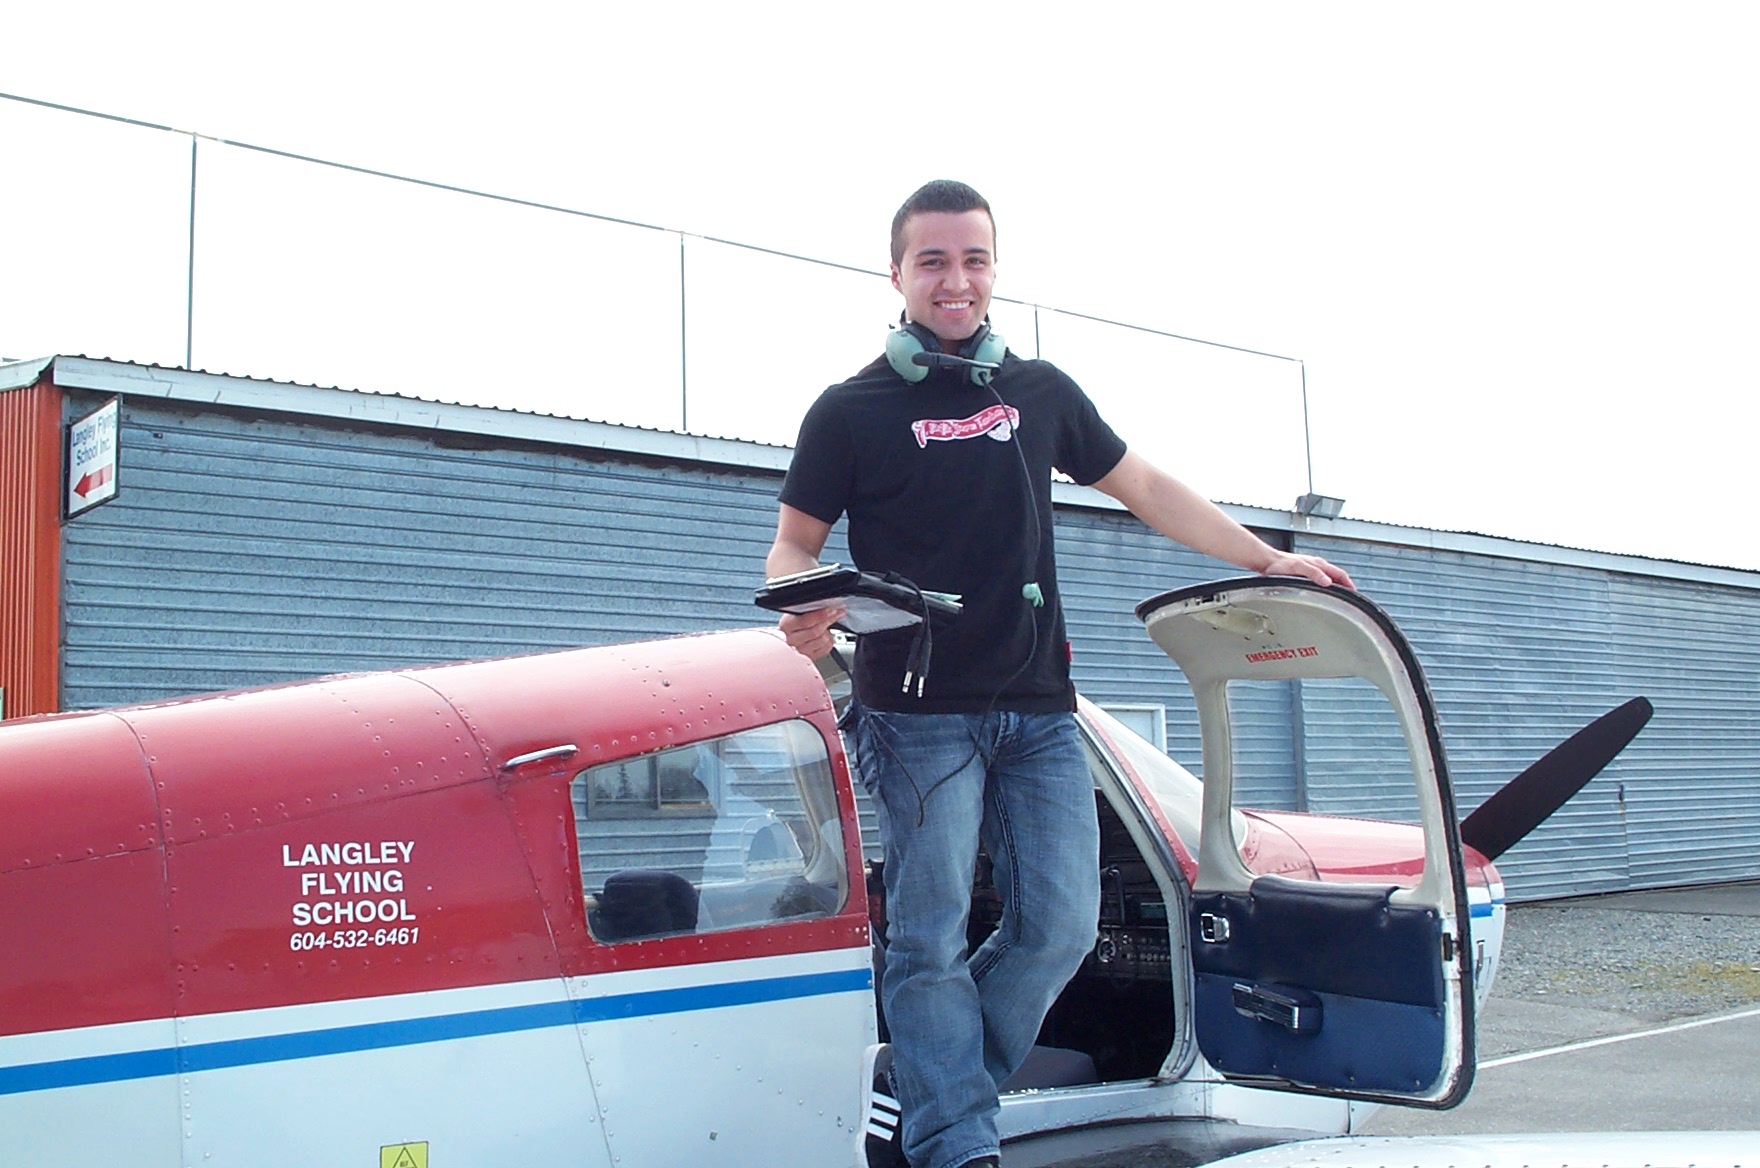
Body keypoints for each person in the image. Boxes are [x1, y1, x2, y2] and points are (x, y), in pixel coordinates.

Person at [765, 180, 1352, 1168]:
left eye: (973, 259)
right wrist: (803, 607)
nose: (955, 279)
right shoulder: (848, 409)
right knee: (927, 936)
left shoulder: (1038, 394)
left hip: (1039, 712)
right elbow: (790, 548)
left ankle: (927, 1086)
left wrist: (1263, 558)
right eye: (933, 261)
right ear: (897, 274)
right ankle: (956, 1142)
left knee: (1060, 926)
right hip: (915, 719)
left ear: (994, 268)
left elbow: (1147, 486)